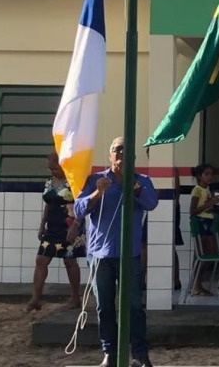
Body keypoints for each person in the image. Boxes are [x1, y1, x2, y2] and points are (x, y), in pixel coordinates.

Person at [74, 137, 159, 367]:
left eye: (125, 150)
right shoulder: (96, 180)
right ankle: (109, 353)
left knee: (134, 305)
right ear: (110, 156)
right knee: (104, 306)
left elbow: (152, 203)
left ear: (132, 156)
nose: (120, 154)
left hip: (129, 254)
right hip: (100, 256)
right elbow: (78, 209)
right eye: (116, 150)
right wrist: (96, 195)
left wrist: (135, 186)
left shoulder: (142, 180)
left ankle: (140, 355)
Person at [27, 151, 85, 311]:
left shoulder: (74, 182)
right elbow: (48, 204)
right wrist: (42, 224)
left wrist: (75, 226)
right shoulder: (49, 182)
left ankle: (75, 296)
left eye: (55, 168)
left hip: (69, 226)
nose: (52, 171)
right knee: (41, 260)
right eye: (50, 169)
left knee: (69, 261)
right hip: (51, 227)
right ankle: (35, 298)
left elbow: (82, 205)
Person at [189, 163, 219, 296]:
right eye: (206, 174)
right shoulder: (197, 190)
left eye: (211, 174)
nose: (210, 177)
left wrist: (211, 208)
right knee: (203, 255)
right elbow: (193, 210)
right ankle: (196, 285)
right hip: (201, 225)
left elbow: (205, 206)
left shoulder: (207, 189)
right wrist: (209, 204)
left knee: (212, 255)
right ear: (199, 176)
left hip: (208, 223)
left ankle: (198, 283)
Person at [173, 166, 184, 291]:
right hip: (173, 209)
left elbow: (176, 193)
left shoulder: (171, 168)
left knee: (171, 247)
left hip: (170, 209)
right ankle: (176, 281)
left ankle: (176, 280)